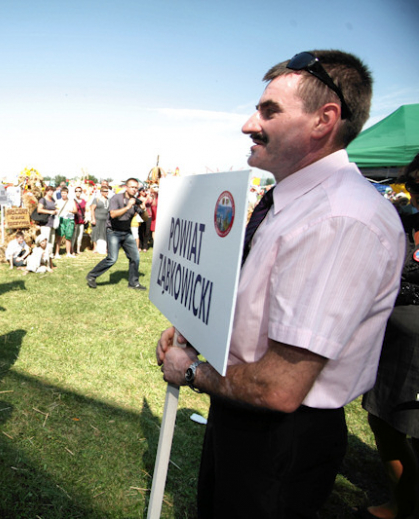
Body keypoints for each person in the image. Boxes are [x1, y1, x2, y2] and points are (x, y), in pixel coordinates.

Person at [156, 50, 405, 518]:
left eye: (270, 110)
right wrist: (193, 329)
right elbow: (259, 301)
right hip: (242, 412)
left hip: (278, 441)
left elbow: (278, 387)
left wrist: (190, 371)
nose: (250, 124)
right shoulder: (293, 201)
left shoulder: (338, 218)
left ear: (323, 120)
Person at [358, 153, 419, 519]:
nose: (413, 194)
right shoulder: (404, 220)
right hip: (394, 344)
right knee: (384, 419)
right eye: (411, 185)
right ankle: (403, 504)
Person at [85, 178, 149, 290]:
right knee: (112, 258)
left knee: (135, 257)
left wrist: (143, 209)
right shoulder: (116, 198)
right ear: (126, 187)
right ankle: (91, 276)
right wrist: (128, 207)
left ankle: (133, 283)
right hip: (113, 231)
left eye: (136, 188)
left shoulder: (135, 201)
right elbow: (113, 214)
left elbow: (145, 218)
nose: (134, 190)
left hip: (127, 232)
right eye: (132, 187)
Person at [54, 186, 78, 258]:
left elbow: (75, 211)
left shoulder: (71, 201)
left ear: (67, 193)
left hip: (69, 219)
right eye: (62, 193)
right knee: (59, 236)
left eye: (64, 193)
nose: (63, 194)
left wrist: (71, 211)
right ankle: (56, 253)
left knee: (68, 236)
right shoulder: (58, 201)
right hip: (61, 219)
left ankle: (68, 253)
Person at [89, 185, 109, 254]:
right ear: (101, 192)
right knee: (95, 233)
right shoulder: (96, 199)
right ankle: (95, 248)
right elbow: (92, 209)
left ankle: (105, 248)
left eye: (107, 191)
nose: (106, 193)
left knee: (105, 233)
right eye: (105, 191)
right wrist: (93, 218)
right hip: (97, 218)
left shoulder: (108, 200)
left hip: (106, 219)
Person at [71, 186, 87, 254]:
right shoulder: (72, 200)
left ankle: (78, 249)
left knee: (80, 236)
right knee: (73, 236)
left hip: (81, 220)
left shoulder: (83, 201)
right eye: (76, 191)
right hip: (74, 220)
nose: (78, 192)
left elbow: (85, 210)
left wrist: (86, 217)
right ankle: (72, 250)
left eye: (79, 191)